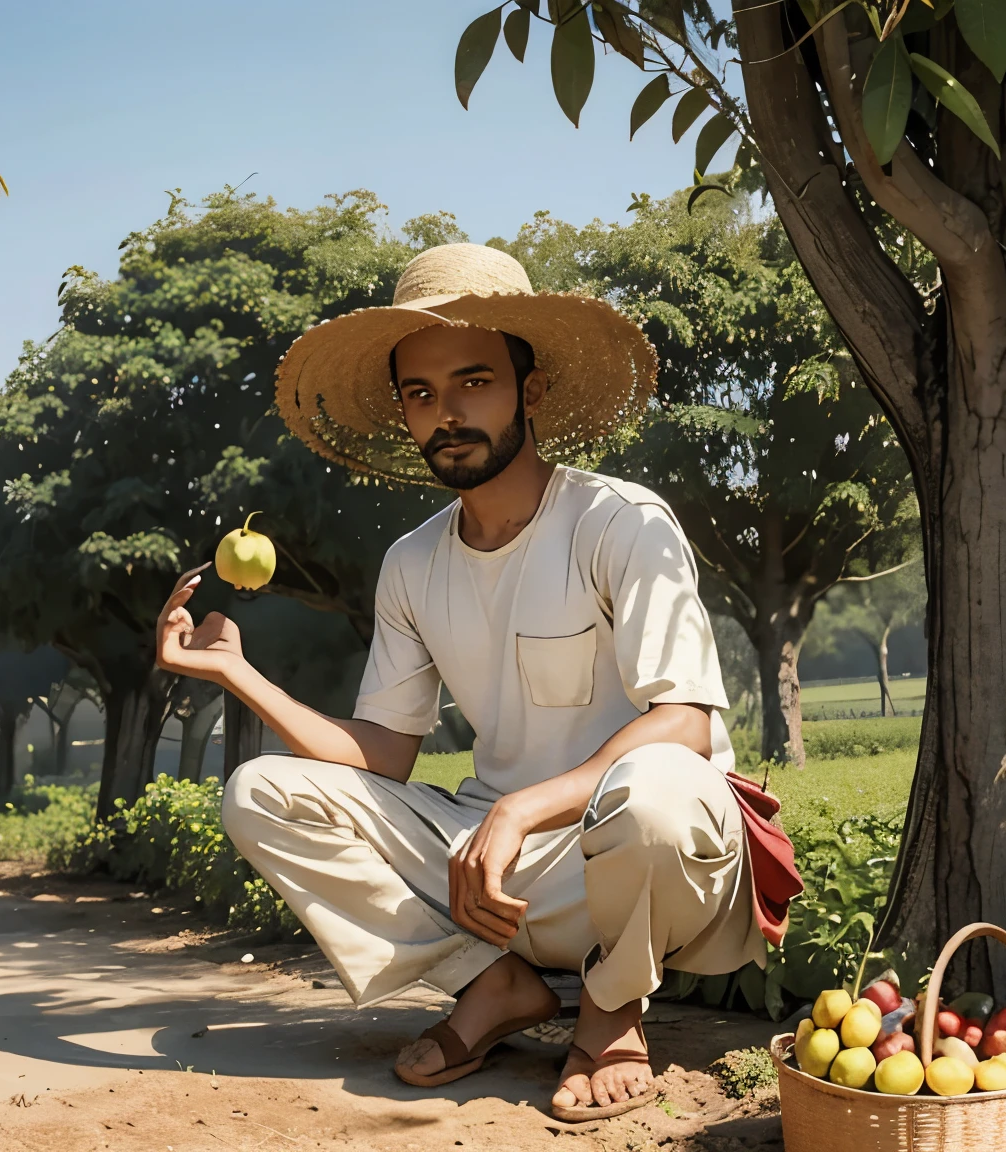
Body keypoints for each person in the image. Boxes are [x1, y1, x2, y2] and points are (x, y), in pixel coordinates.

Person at [153, 243, 790, 1122]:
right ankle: (495, 984)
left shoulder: (618, 521)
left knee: (655, 788)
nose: (446, 413)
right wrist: (236, 673)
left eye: (474, 382)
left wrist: (522, 807)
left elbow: (683, 722)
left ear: (529, 391)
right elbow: (382, 754)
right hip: (488, 879)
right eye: (420, 393)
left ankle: (611, 1010)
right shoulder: (412, 564)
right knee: (260, 791)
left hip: (649, 865)